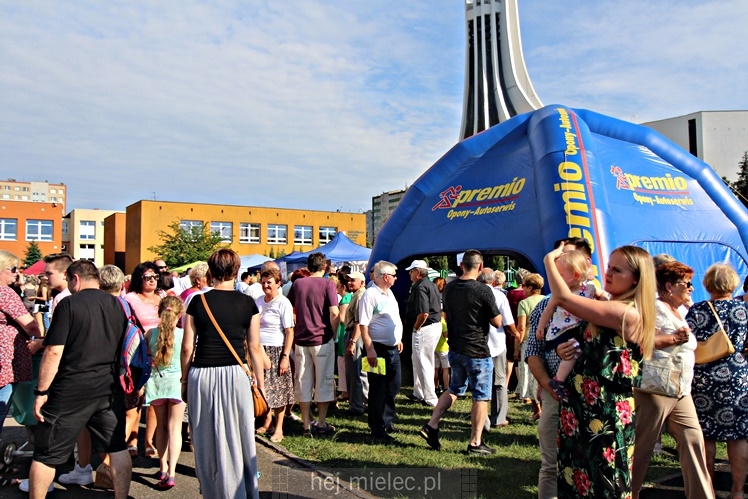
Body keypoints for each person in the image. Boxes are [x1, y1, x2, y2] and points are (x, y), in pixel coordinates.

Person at [548, 244, 655, 498]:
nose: (608, 273)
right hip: (583, 410)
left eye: (617, 270)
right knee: (579, 480)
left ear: (636, 280)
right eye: (608, 267)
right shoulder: (609, 305)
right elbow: (593, 349)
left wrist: (549, 260)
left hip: (604, 413)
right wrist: (567, 350)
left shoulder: (626, 312)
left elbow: (563, 298)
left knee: (604, 483)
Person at [28, 260, 132, 498]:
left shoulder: (68, 304)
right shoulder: (118, 305)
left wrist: (41, 392)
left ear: (75, 278)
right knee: (116, 447)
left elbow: (54, 351)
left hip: (72, 387)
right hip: (108, 386)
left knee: (46, 454)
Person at [181, 249, 264, 499]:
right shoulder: (248, 303)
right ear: (237, 272)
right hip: (237, 375)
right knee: (241, 437)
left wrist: (184, 379)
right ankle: (244, 491)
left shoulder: (196, 301)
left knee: (206, 439)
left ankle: (214, 491)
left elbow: (187, 347)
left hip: (203, 374)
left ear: (210, 271)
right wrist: (259, 383)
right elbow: (255, 347)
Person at [631, 261, 713, 499]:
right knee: (643, 448)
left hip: (680, 389)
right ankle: (627, 494)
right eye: (686, 283)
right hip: (655, 388)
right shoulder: (654, 308)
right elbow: (641, 339)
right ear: (669, 286)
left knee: (693, 441)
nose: (691, 288)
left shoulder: (680, 310)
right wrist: (671, 338)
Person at [524, 237, 592, 499]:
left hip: (590, 397)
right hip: (556, 394)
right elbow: (532, 352)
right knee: (550, 463)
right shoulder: (544, 305)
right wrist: (547, 385)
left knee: (586, 461)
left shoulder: (597, 302)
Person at [420, 250, 502, 454]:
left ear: (462, 265)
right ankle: (475, 442)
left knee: (454, 389)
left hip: (456, 347)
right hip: (477, 349)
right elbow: (497, 321)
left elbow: (445, 313)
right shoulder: (483, 290)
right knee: (481, 396)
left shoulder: (449, 288)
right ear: (480, 267)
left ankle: (432, 424)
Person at [686, 263, 748, 499]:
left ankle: (707, 489)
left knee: (706, 434)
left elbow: (687, 342)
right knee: (738, 435)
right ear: (733, 283)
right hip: (737, 377)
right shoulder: (744, 310)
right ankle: (738, 491)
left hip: (704, 376)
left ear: (707, 284)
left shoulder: (698, 310)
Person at [536, 250, 607, 402]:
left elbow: (602, 295)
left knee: (577, 350)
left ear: (575, 275)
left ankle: (563, 381)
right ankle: (558, 380)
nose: (556, 279)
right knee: (572, 351)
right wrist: (541, 326)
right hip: (561, 330)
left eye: (560, 275)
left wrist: (604, 300)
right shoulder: (558, 293)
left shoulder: (589, 288)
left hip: (578, 329)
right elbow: (548, 310)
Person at [287, 252, 339, 437]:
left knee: (303, 380)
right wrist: (332, 332)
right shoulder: (328, 284)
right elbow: (334, 312)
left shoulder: (298, 283)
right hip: (322, 338)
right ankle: (322, 422)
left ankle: (306, 424)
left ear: (308, 267)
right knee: (323, 380)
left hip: (301, 338)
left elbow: (289, 308)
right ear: (324, 267)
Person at [359, 260, 403, 441]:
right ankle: (377, 428)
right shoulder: (370, 295)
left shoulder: (389, 293)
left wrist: (398, 339)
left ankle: (387, 420)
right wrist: (370, 349)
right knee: (378, 389)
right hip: (377, 349)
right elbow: (363, 324)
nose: (396, 278)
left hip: (393, 349)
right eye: (393, 275)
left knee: (393, 386)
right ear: (385, 277)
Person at [0, 251, 42, 439]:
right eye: (14, 269)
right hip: (6, 359)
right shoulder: (5, 293)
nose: (18, 273)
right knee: (1, 404)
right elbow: (30, 325)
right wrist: (43, 339)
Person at [145, 296, 185, 490]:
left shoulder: (150, 333)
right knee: (174, 428)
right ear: (180, 315)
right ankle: (172, 472)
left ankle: (162, 467)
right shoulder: (184, 335)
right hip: (177, 382)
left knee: (160, 427)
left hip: (156, 382)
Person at [124, 261, 163, 458]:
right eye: (148, 277)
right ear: (140, 278)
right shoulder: (131, 298)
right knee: (135, 398)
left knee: (155, 399)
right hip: (138, 353)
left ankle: (149, 442)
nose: (153, 281)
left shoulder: (162, 297)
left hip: (160, 355)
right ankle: (131, 442)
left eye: (155, 277)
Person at [255, 266, 295, 443]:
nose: (265, 286)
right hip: (258, 349)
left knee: (278, 390)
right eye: (263, 283)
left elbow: (289, 332)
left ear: (278, 283)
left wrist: (285, 356)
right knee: (261, 387)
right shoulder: (258, 301)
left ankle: (279, 428)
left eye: (269, 283)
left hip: (276, 349)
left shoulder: (283, 302)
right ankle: (267, 420)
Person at [477, 268, 517, 430]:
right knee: (499, 381)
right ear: (493, 281)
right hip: (497, 343)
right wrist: (516, 334)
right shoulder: (500, 296)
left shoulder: (472, 294)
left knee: (480, 382)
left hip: (478, 343)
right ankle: (499, 417)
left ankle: (482, 419)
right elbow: (507, 322)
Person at [404, 260, 442, 407]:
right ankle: (418, 392)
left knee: (424, 361)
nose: (410, 274)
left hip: (425, 327)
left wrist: (416, 327)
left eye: (412, 271)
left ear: (418, 272)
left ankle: (430, 398)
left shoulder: (420, 287)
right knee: (418, 359)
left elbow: (424, 313)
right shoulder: (431, 284)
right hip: (433, 325)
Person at [516, 273, 545, 420]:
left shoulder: (524, 303)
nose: (522, 290)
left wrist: (516, 347)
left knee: (528, 376)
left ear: (530, 287)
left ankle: (536, 410)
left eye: (524, 286)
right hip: (546, 342)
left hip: (529, 342)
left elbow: (521, 328)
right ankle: (545, 409)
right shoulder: (547, 300)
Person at [343, 271, 369, 416]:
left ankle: (357, 406)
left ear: (361, 282)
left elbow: (360, 322)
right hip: (355, 334)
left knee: (354, 372)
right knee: (360, 371)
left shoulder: (360, 296)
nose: (349, 282)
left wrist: (352, 341)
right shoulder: (357, 295)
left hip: (354, 334)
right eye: (349, 280)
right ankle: (363, 402)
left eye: (353, 280)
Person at [334, 273, 351, 403]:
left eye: (338, 286)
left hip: (343, 332)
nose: (337, 288)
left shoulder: (345, 299)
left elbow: (342, 318)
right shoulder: (351, 297)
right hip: (346, 331)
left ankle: (345, 390)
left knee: (342, 361)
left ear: (343, 287)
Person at [432, 277, 450, 394]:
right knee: (445, 369)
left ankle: (436, 386)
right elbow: (446, 333)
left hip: (434, 345)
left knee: (435, 368)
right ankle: (447, 387)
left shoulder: (433, 298)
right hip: (444, 347)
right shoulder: (443, 321)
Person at [43, 253, 73, 319]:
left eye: (49, 274)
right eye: (44, 274)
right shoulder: (81, 294)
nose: (44, 277)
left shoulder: (61, 298)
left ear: (65, 274)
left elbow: (57, 328)